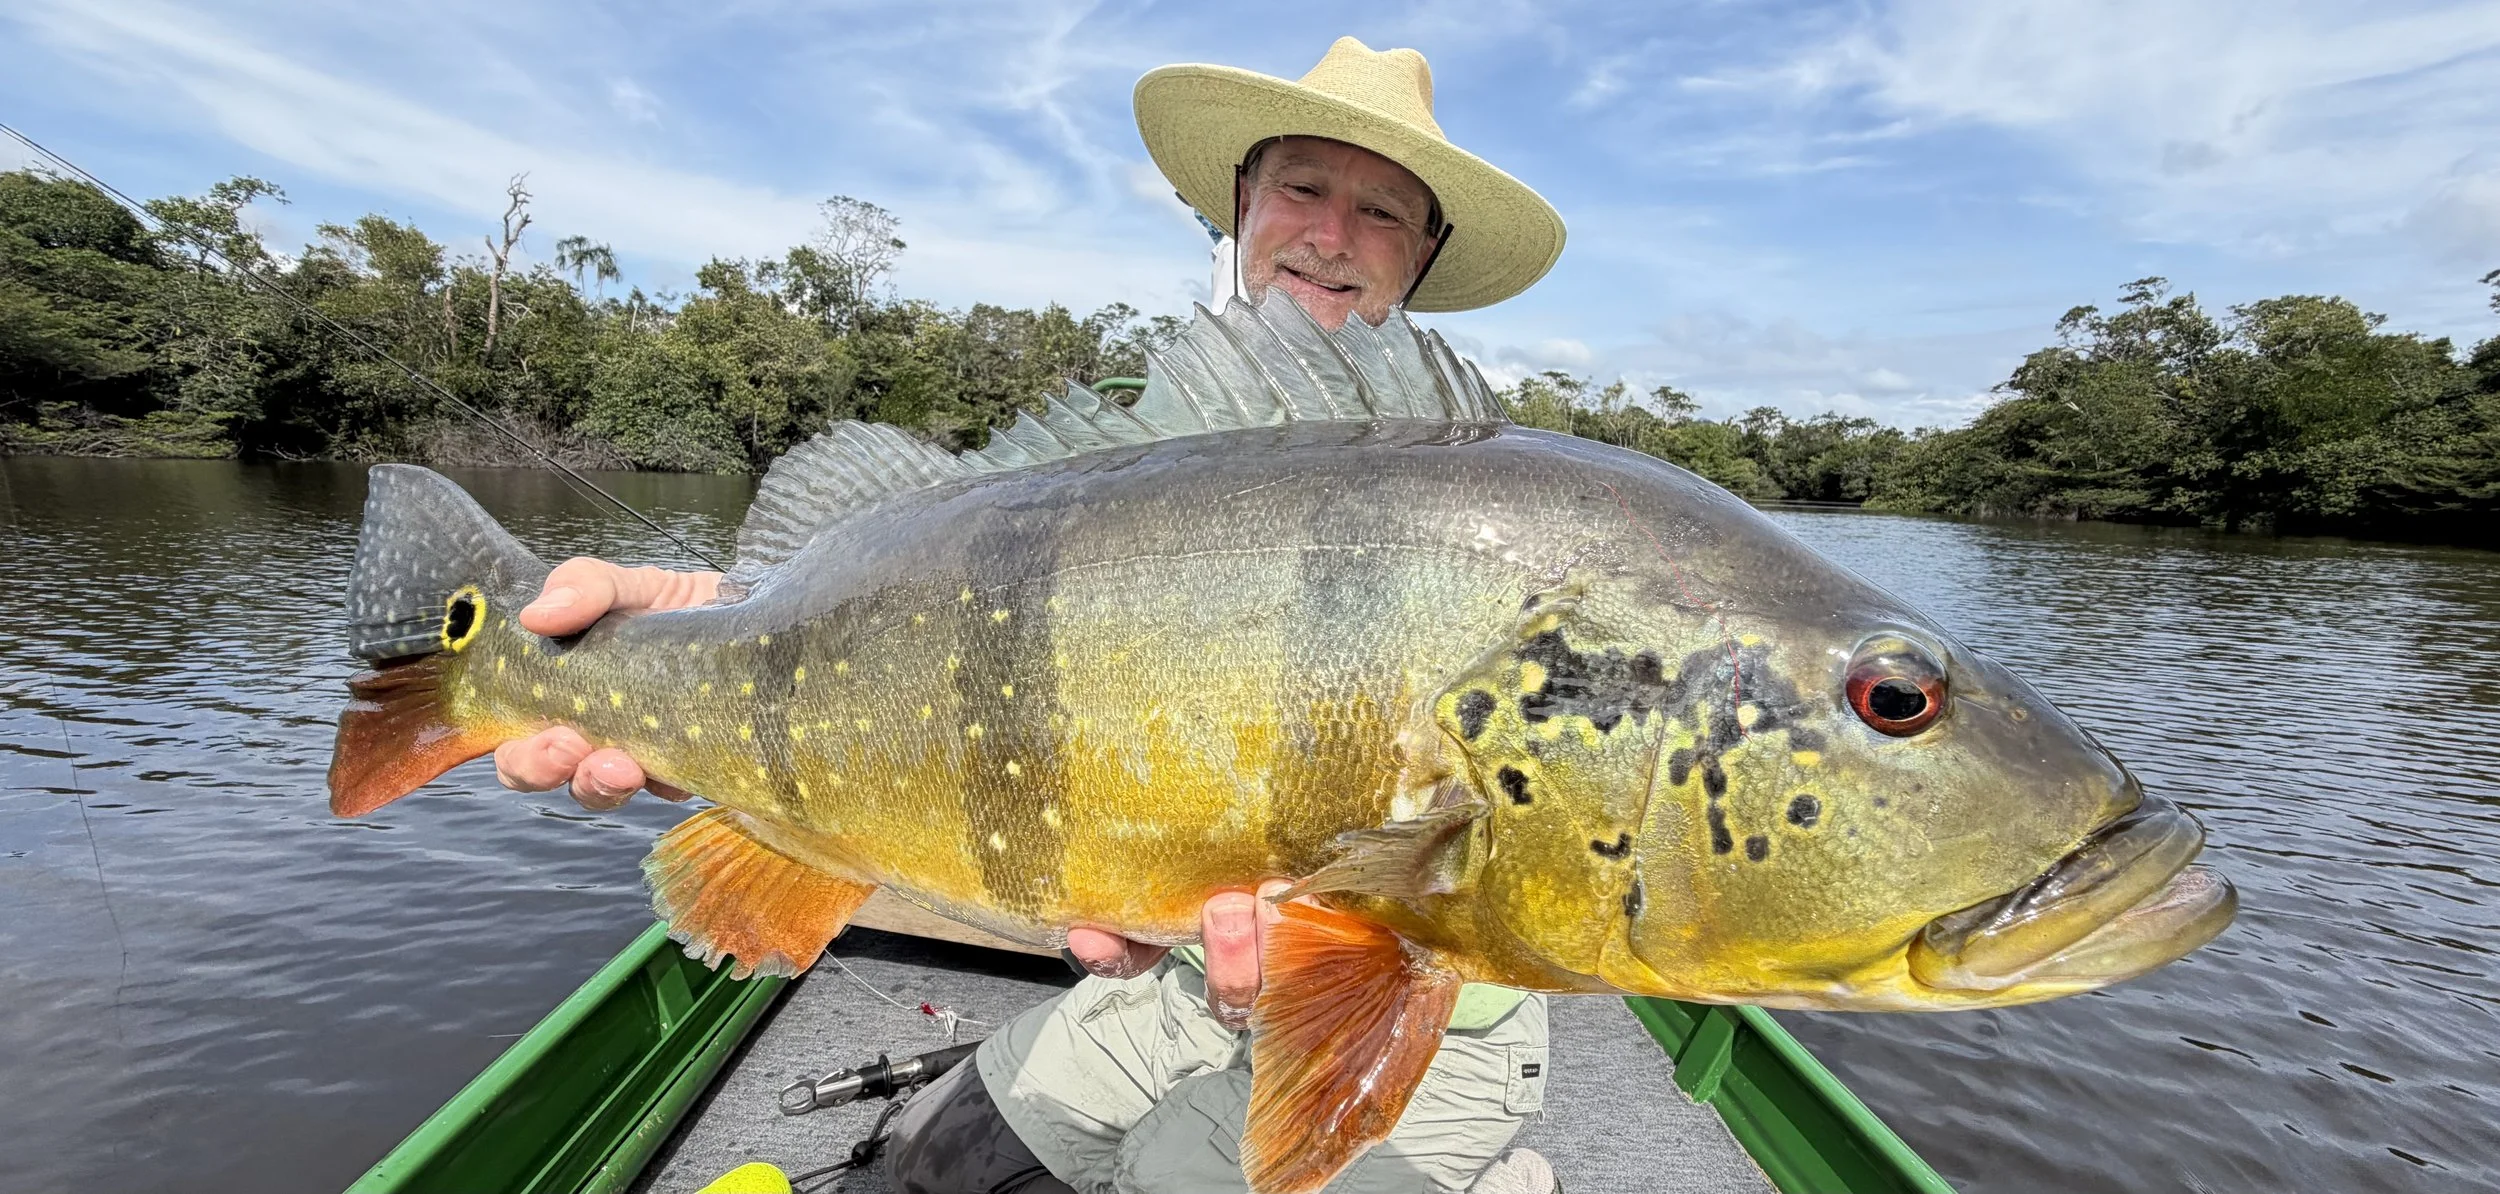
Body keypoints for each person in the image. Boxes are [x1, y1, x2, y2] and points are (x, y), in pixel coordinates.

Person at [494, 37, 1568, 1194]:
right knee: (930, 1171)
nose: (1330, 233)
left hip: (1431, 1006)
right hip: (1170, 984)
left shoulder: (1488, 500)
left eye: (1382, 212)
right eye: (1303, 187)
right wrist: (726, 623)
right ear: (1243, 206)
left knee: (1178, 1178)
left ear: (1426, 254)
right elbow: (931, 599)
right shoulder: (1137, 443)